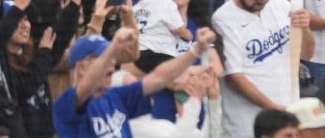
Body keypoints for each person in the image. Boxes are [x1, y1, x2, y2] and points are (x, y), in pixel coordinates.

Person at [214, 0, 316, 138]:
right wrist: (276, 110)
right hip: (245, 123)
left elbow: (307, 54)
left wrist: (305, 29)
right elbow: (234, 77)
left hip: (286, 114)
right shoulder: (223, 19)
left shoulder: (281, 6)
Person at [54, 27, 218, 137]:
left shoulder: (114, 96)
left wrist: (196, 50)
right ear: (82, 67)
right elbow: (86, 87)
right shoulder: (66, 104)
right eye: (102, 58)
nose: (112, 62)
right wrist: (113, 49)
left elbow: (159, 77)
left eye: (112, 58)